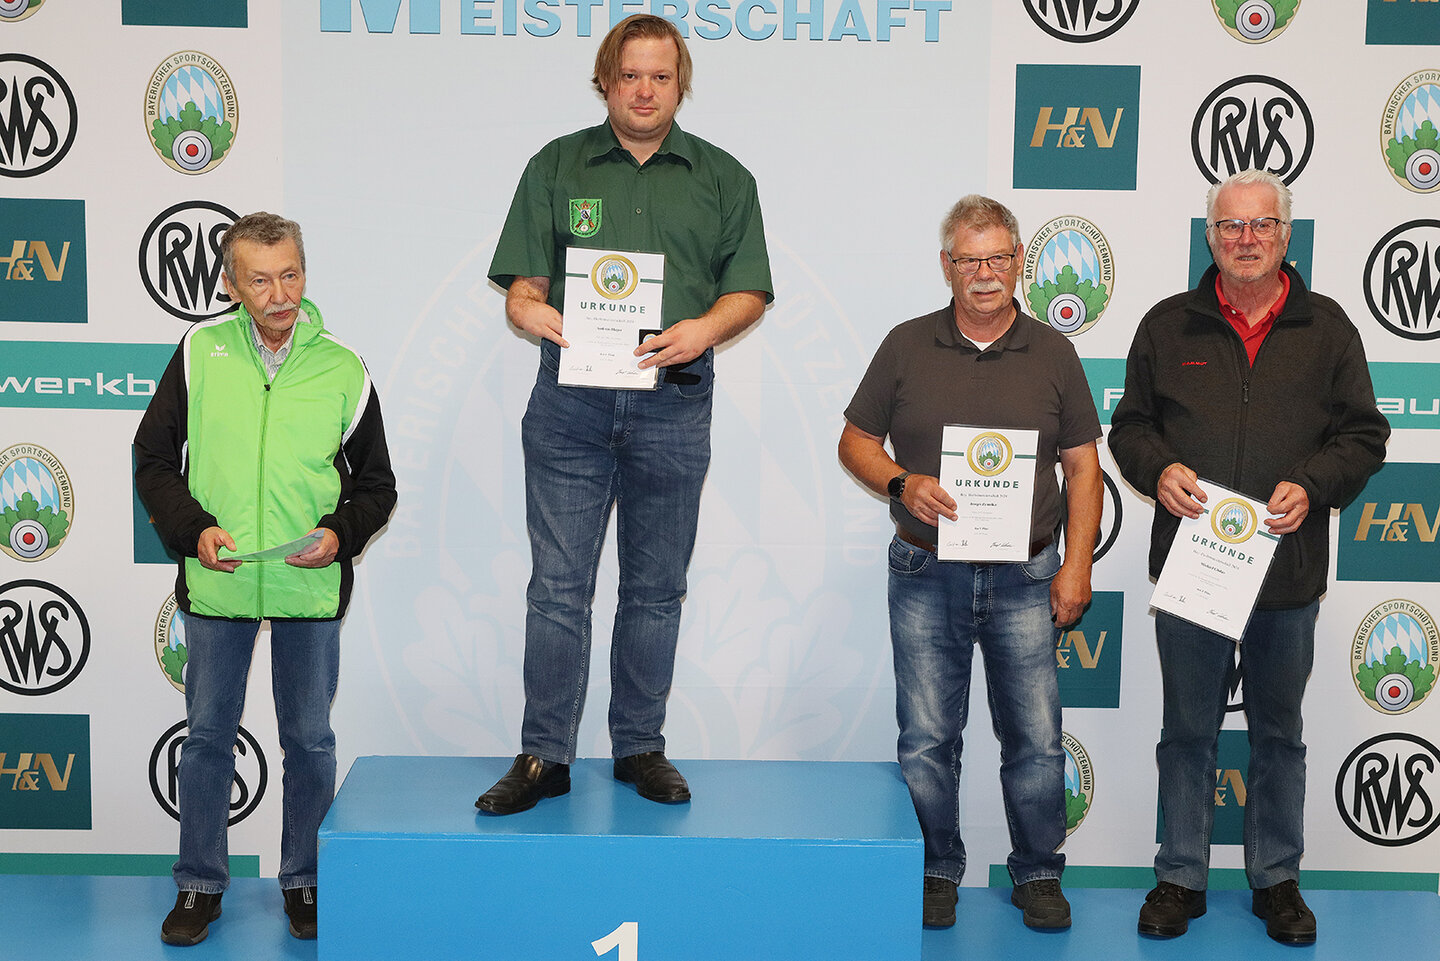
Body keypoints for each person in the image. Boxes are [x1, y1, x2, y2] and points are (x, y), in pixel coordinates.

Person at [478, 13, 772, 814]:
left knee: (656, 588)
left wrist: (704, 329)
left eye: (660, 77)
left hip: (673, 402)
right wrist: (528, 309)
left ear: (681, 85)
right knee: (557, 587)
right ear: (605, 82)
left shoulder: (724, 178)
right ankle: (544, 755)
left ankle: (639, 745)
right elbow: (523, 285)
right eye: (630, 75)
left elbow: (748, 289)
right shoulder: (556, 164)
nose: (645, 90)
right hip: (570, 404)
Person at [1109, 169, 1389, 945]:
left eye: (1262, 224)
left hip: (1287, 574)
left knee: (1279, 735)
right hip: (1195, 570)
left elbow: (1364, 434)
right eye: (1230, 226)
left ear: (1285, 235)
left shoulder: (1328, 328)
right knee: (1186, 731)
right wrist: (1157, 468)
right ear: (1210, 237)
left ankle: (1276, 880)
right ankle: (1180, 876)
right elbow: (1129, 427)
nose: (1246, 238)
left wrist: (1315, 483)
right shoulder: (1168, 326)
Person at [838, 195, 1102, 930]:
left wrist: (1076, 565)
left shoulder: (1054, 352)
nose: (984, 274)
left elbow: (1084, 467)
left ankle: (1038, 872)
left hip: (1027, 575)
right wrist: (901, 482)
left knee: (1036, 740)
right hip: (927, 571)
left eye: (998, 259)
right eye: (968, 260)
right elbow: (854, 442)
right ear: (946, 265)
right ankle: (934, 869)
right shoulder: (905, 345)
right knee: (927, 738)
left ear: (1019, 263)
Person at [135, 212, 397, 946]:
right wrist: (193, 530)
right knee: (207, 739)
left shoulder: (343, 367)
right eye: (260, 280)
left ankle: (304, 880)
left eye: (290, 275)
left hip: (307, 589)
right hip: (217, 583)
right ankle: (198, 885)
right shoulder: (199, 352)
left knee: (309, 741)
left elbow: (377, 485)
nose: (279, 295)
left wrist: (340, 534)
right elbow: (152, 459)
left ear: (305, 274)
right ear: (230, 284)